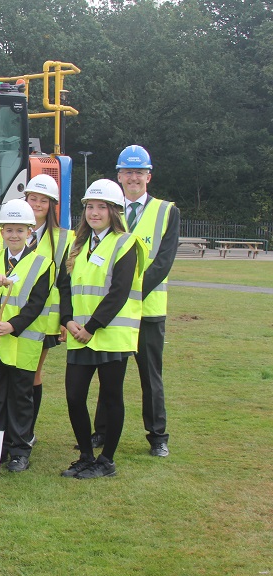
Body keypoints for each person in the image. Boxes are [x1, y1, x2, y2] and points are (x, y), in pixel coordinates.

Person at [91, 145, 179, 458]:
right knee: (108, 373)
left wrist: (131, 291)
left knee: (150, 377)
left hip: (149, 310)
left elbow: (163, 261)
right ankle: (101, 431)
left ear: (148, 176)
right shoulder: (108, 211)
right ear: (118, 176)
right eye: (127, 172)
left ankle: (158, 437)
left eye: (138, 172)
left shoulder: (167, 211)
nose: (133, 178)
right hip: (113, 310)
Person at [58, 179, 145, 479]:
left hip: (109, 335)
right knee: (74, 396)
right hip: (79, 334)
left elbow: (119, 293)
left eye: (101, 207)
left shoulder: (126, 243)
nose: (94, 213)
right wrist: (67, 320)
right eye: (90, 207)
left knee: (110, 398)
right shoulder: (77, 244)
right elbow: (64, 286)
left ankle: (106, 461)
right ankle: (85, 455)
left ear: (114, 211)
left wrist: (92, 327)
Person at [0, 199, 51, 472]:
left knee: (20, 397)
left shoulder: (43, 263)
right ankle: (0, 445)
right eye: (9, 230)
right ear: (1, 231)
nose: (14, 235)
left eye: (20, 230)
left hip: (22, 342)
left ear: (30, 232)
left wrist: (13, 325)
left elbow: (36, 304)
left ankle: (20, 450)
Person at [21, 174, 74, 441]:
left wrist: (66, 319)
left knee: (32, 374)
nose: (37, 204)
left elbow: (66, 284)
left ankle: (27, 431)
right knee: (11, 374)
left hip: (44, 319)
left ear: (51, 205)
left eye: (43, 200)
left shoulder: (63, 238)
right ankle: (9, 426)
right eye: (33, 198)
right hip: (11, 315)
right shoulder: (10, 228)